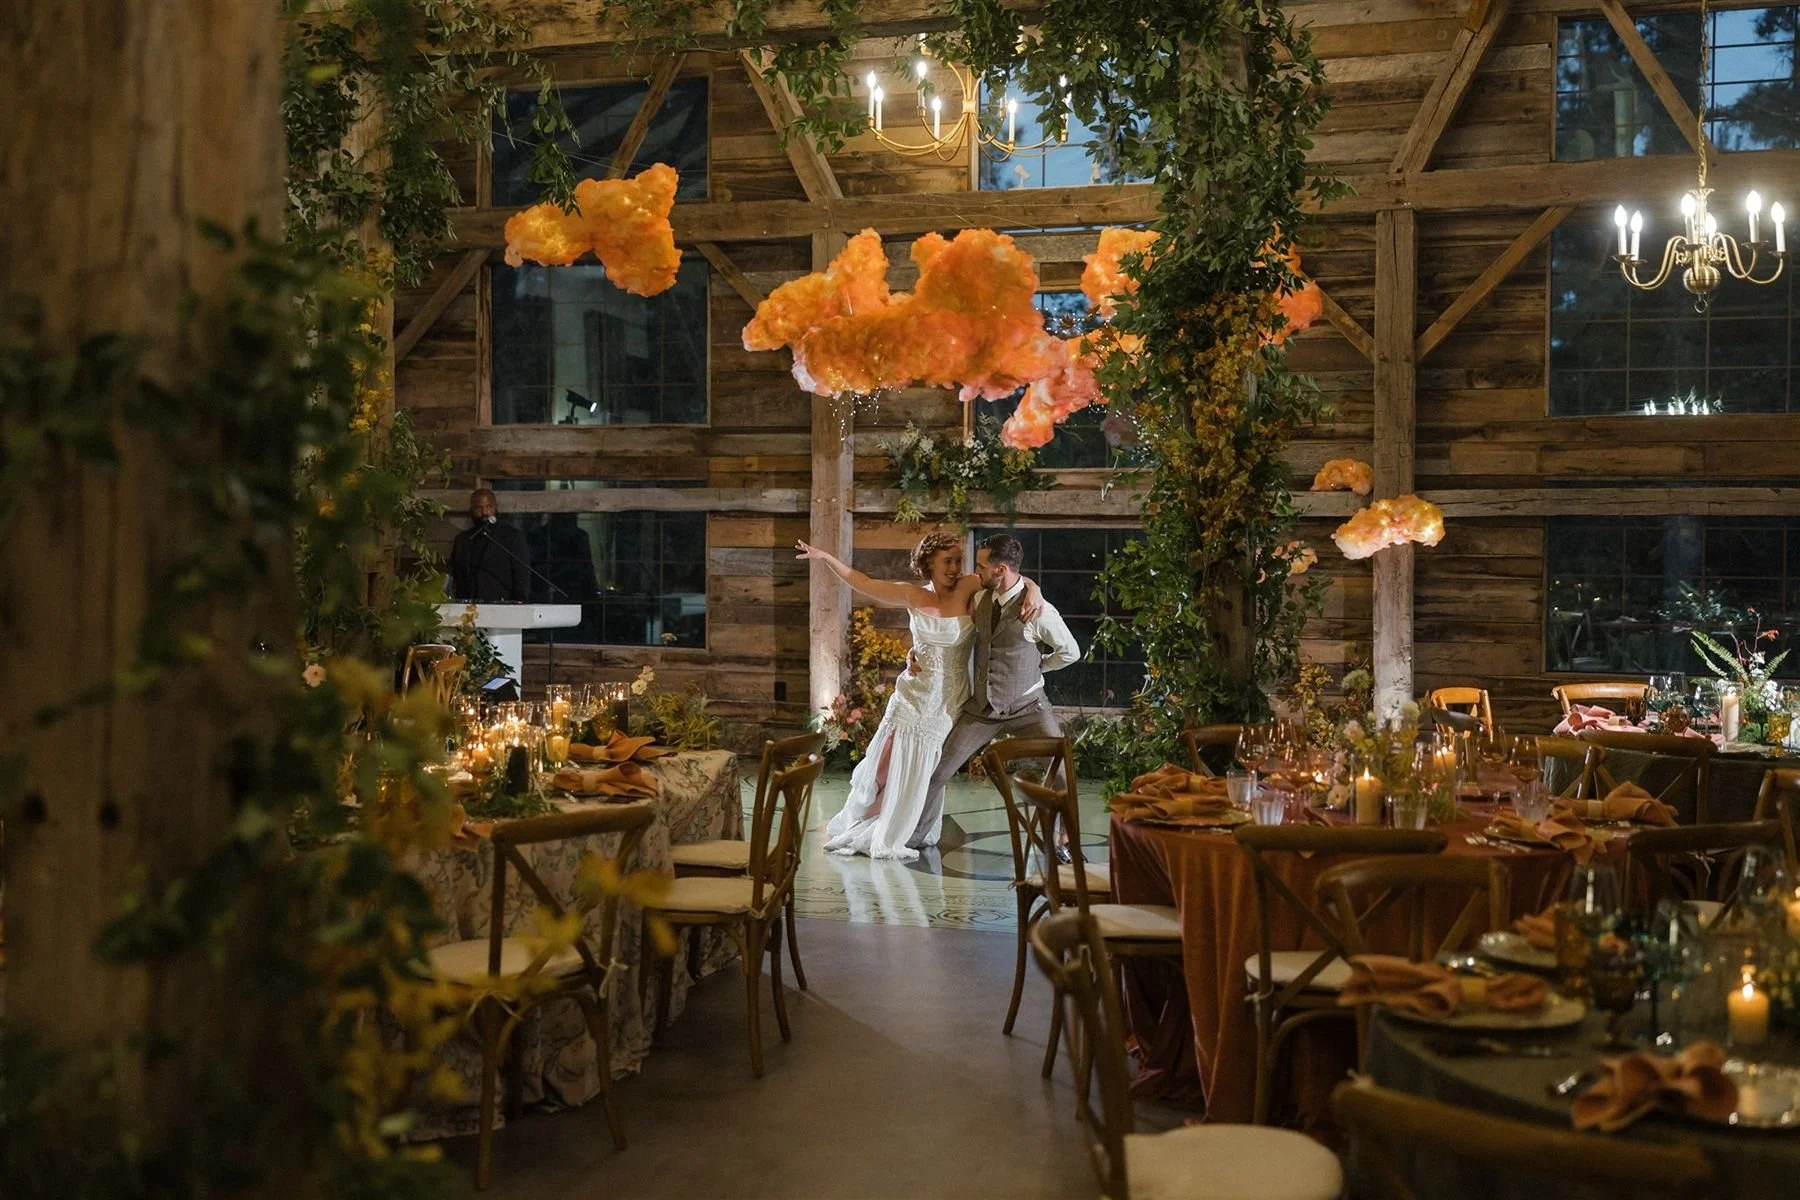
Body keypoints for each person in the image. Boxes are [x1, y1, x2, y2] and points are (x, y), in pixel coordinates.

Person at [795, 532, 1043, 861]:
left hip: (947, 700)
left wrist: (1035, 590)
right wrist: (825, 558)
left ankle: (905, 827)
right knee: (883, 765)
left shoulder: (971, 585)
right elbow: (862, 581)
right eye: (947, 561)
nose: (955, 567)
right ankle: (870, 818)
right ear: (929, 563)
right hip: (911, 693)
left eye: (958, 560)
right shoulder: (912, 594)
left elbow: (1009, 577)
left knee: (923, 769)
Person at [914, 533, 1080, 851]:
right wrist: (917, 652)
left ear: (1000, 569)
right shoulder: (980, 598)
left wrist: (1039, 668)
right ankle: (914, 837)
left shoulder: (1039, 611)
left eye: (981, 566)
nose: (975, 572)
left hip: (1029, 707)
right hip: (983, 708)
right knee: (938, 771)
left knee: (1061, 768)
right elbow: (948, 626)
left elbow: (1070, 652)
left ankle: (1062, 839)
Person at [447, 488, 532, 602]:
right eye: (479, 508)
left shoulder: (512, 537)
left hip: (502, 606)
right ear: (471, 511)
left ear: (495, 508)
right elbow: (455, 574)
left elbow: (522, 578)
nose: (484, 513)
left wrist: (518, 605)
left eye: (488, 507)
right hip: (468, 607)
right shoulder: (463, 540)